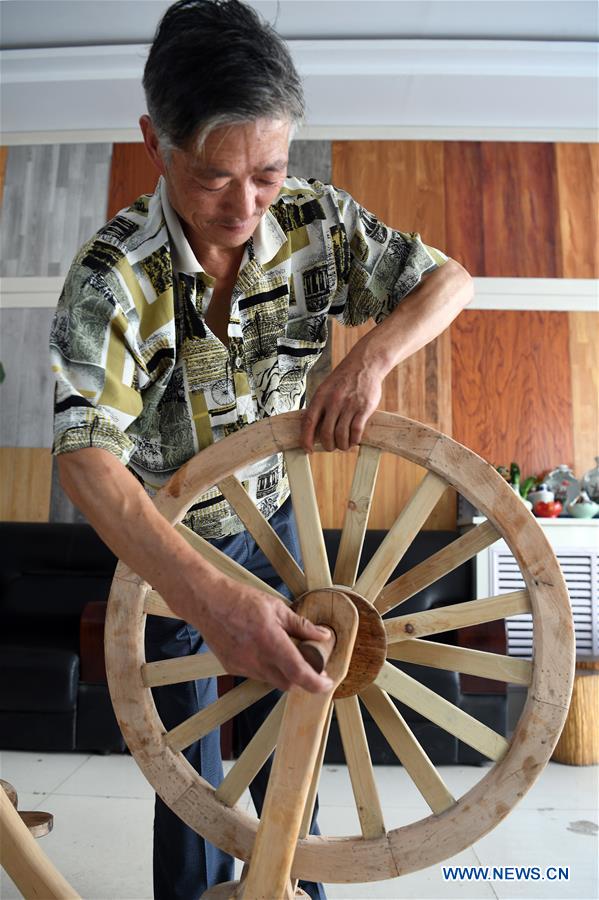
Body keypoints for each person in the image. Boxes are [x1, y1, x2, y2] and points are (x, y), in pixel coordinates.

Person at [49, 1, 473, 897]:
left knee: (303, 735)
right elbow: (87, 462)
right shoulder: (111, 278)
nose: (244, 205)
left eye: (268, 173)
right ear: (154, 141)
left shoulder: (319, 222)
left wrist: (369, 358)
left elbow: (448, 281)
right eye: (211, 177)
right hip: (171, 552)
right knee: (189, 772)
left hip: (287, 531)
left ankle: (296, 888)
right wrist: (211, 601)